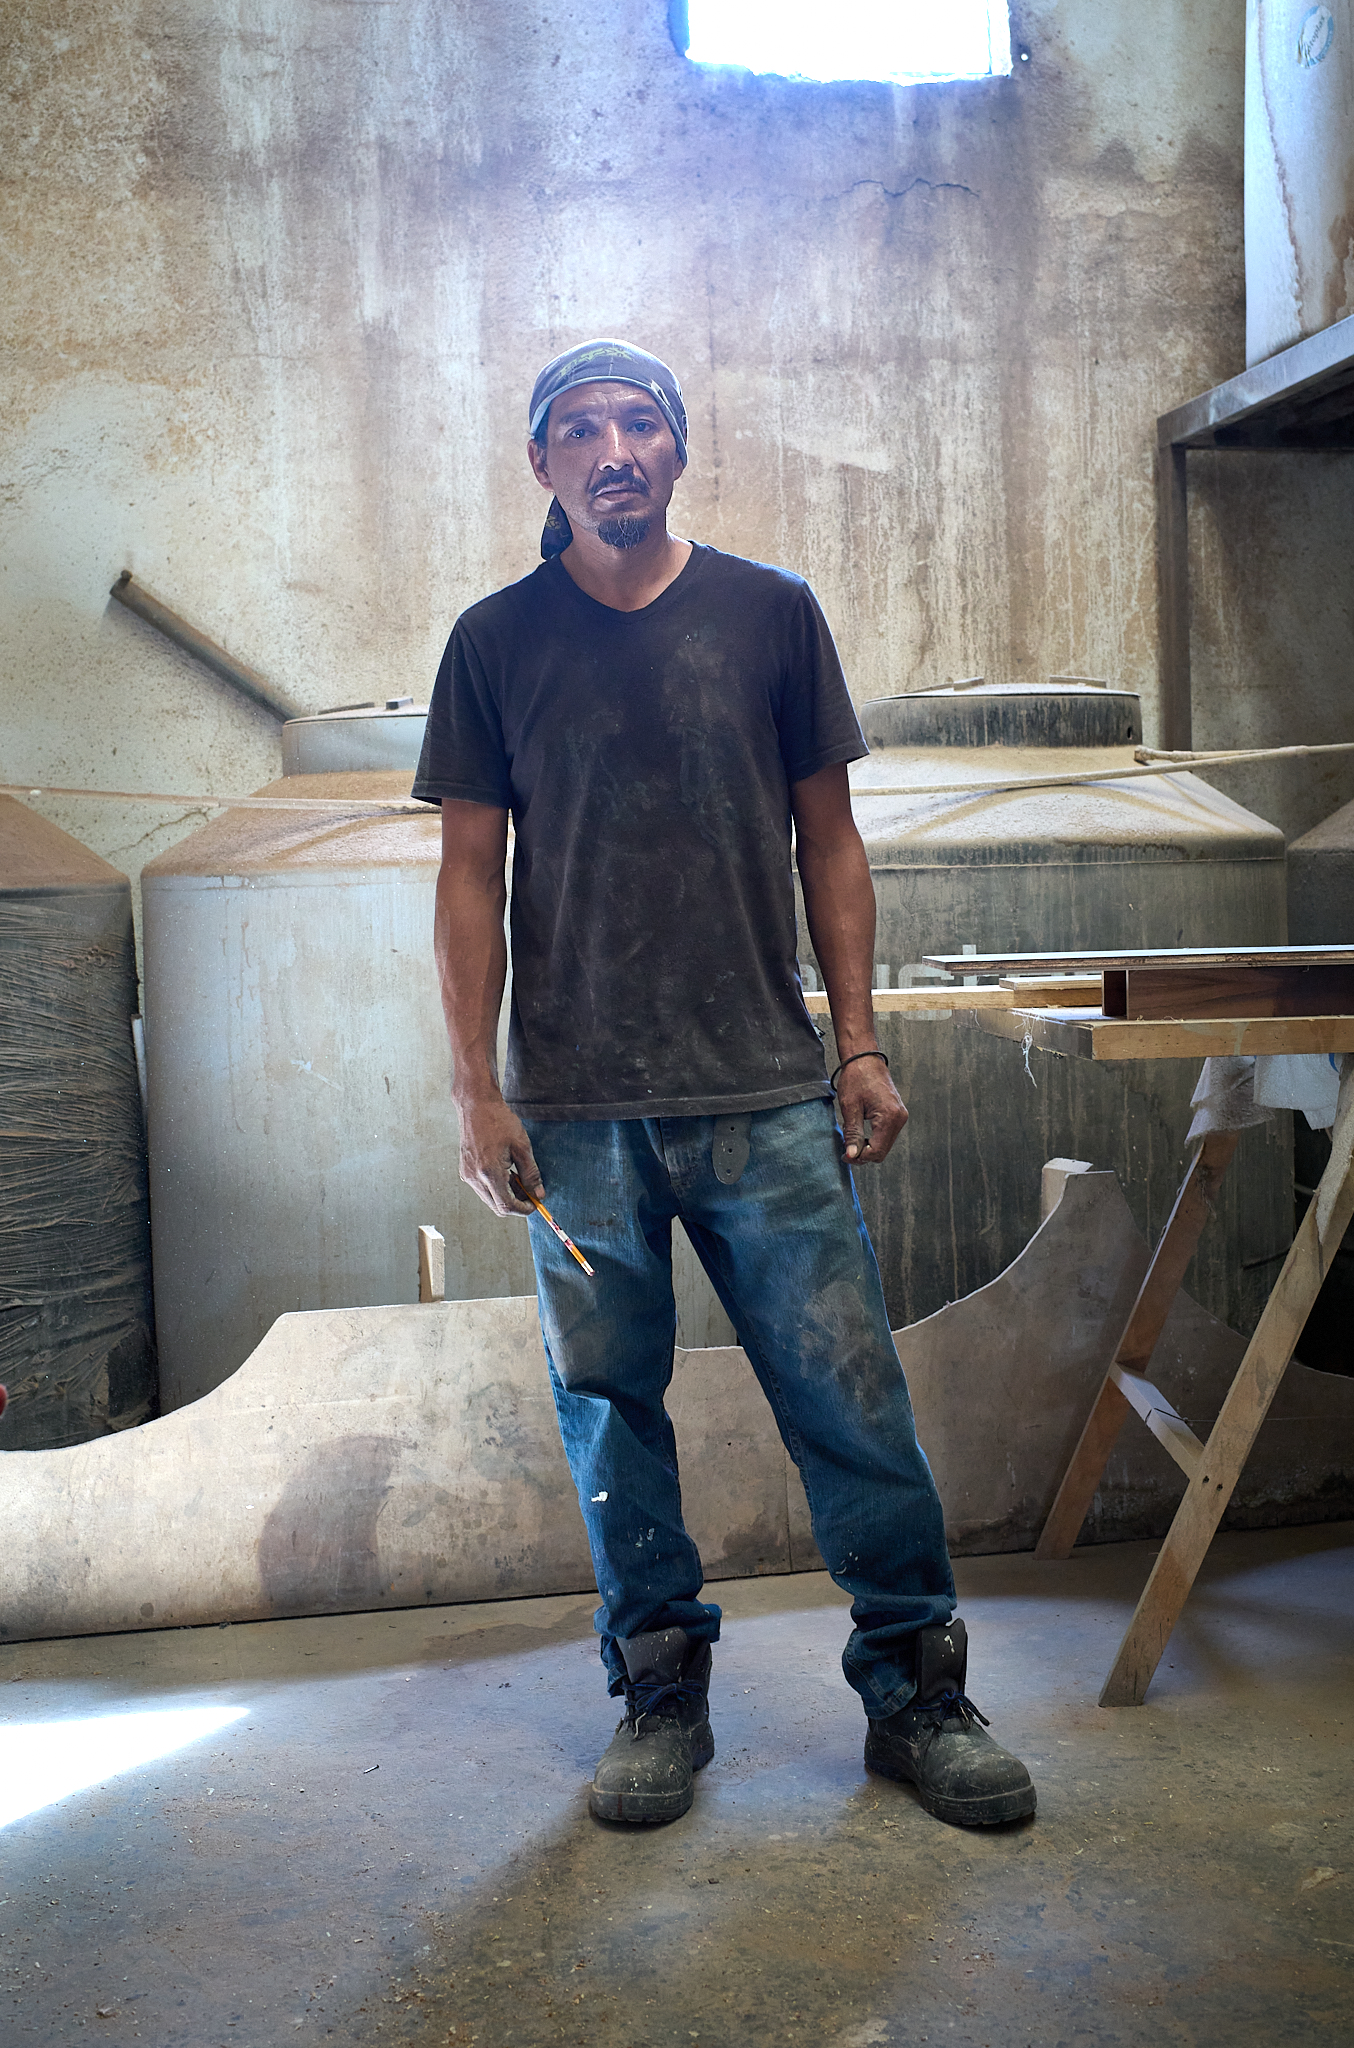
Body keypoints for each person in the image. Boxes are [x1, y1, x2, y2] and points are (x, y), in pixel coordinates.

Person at [413, 339, 1034, 1832]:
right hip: (571, 1111)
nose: (613, 448)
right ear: (542, 467)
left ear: (679, 449)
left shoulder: (767, 615)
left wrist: (860, 1043)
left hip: (763, 1092)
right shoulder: (495, 641)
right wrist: (474, 1092)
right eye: (581, 430)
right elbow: (467, 875)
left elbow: (831, 840)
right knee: (610, 1408)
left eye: (640, 423)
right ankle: (659, 1692)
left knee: (847, 1396)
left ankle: (914, 1688)